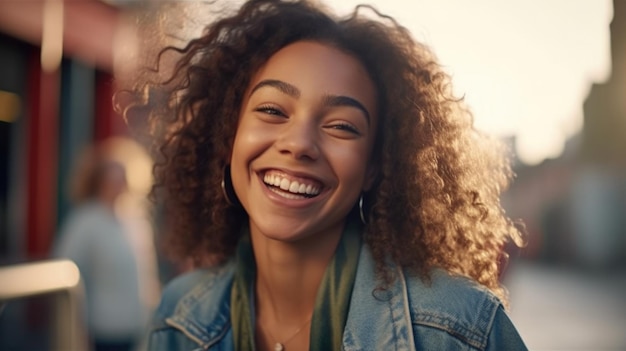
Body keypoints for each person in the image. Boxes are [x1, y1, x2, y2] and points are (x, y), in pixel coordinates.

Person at [123, 0, 528, 349]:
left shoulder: (461, 331)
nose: (299, 144)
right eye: (272, 110)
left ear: (374, 166)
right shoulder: (176, 316)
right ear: (229, 133)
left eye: (341, 126)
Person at [54, 140, 153, 351]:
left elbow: (146, 274)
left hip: (135, 327)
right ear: (99, 180)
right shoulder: (84, 222)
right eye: (112, 177)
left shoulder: (136, 221)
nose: (119, 183)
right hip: (100, 330)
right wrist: (77, 330)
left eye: (122, 177)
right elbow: (66, 274)